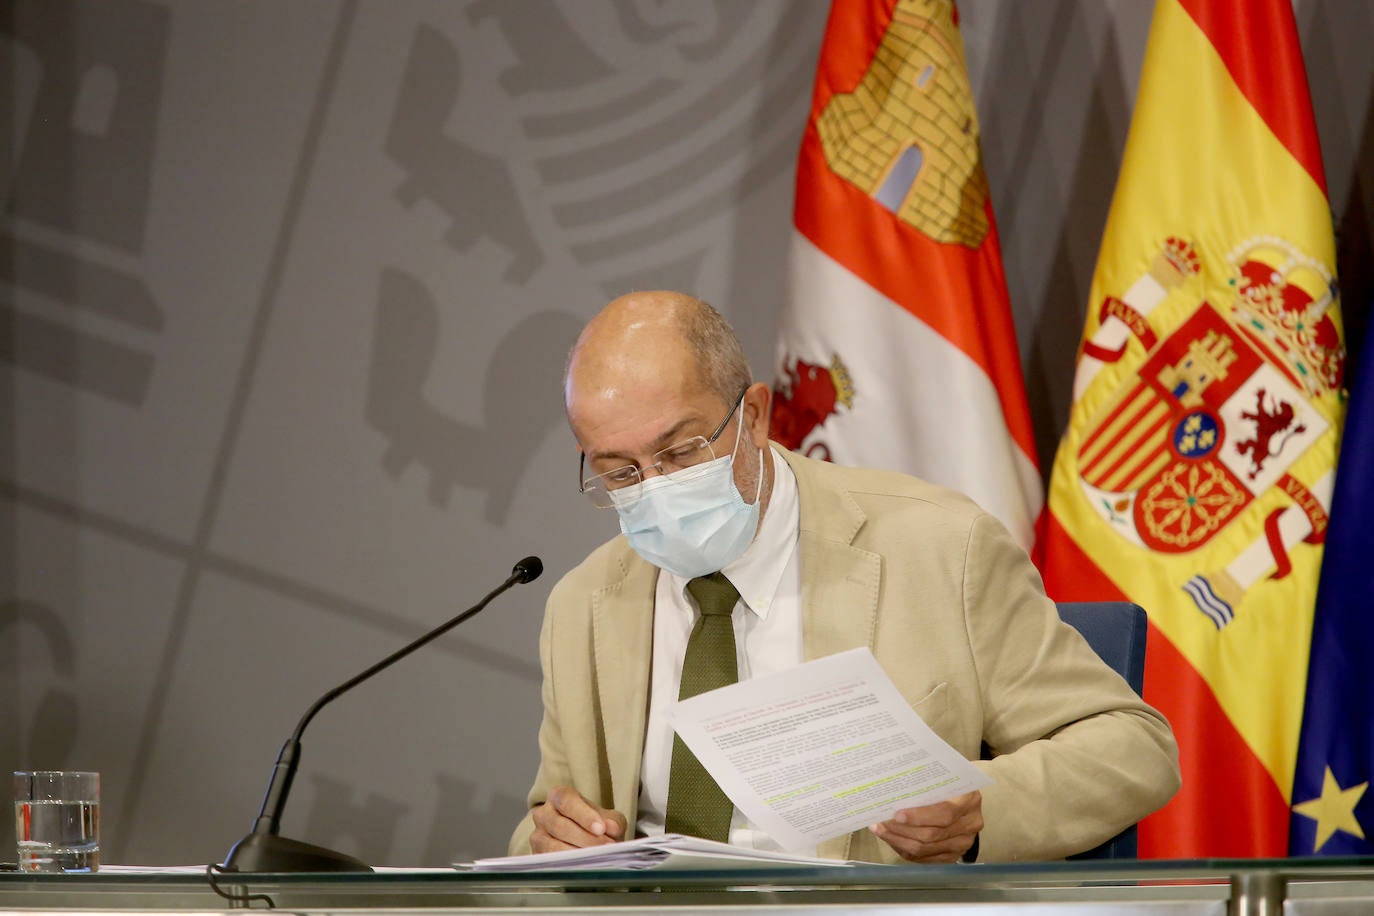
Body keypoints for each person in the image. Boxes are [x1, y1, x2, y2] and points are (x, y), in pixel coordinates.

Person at [509, 291, 1179, 863]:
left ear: (755, 417)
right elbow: (552, 819)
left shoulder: (941, 546)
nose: (655, 488)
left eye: (681, 450)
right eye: (620, 472)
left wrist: (979, 810)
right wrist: (549, 839)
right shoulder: (585, 604)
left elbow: (1133, 748)